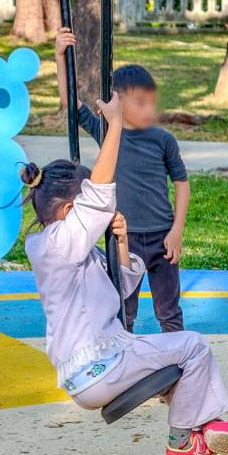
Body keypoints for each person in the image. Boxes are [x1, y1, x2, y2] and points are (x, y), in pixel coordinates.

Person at [23, 92, 228, 455]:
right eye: (83, 206)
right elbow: (99, 195)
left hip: (97, 368)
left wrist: (120, 242)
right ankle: (182, 443)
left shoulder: (72, 253)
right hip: (99, 366)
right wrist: (115, 126)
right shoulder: (56, 245)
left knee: (181, 369)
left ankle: (208, 426)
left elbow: (121, 289)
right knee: (194, 345)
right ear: (71, 210)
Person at [55, 29, 188, 334]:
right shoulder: (108, 133)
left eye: (151, 103)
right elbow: (70, 102)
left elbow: (181, 182)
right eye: (140, 103)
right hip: (122, 239)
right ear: (118, 103)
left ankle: (180, 366)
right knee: (123, 314)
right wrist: (59, 56)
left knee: (169, 312)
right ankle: (126, 367)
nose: (149, 110)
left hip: (162, 238)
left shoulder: (163, 139)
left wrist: (177, 230)